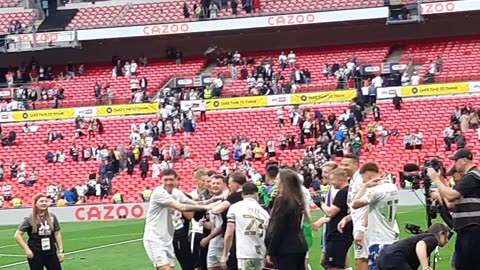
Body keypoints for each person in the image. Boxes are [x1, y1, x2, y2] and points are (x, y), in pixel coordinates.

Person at [143, 169, 216, 270]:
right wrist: (207, 207)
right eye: (166, 180)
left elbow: (193, 203)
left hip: (168, 238)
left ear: (176, 180)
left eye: (171, 179)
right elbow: (182, 207)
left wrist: (213, 201)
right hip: (155, 238)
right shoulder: (159, 193)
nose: (168, 182)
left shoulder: (176, 192)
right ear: (161, 180)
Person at [427, 148, 480, 269]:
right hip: (467, 229)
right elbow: (450, 203)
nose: (454, 164)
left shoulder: (472, 177)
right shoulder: (471, 178)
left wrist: (435, 180)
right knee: (460, 264)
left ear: (464, 160)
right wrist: (441, 180)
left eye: (456, 161)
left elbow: (450, 196)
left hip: (472, 229)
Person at [352, 162, 400, 270]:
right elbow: (369, 210)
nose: (363, 181)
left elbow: (354, 204)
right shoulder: (392, 186)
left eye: (363, 179)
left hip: (378, 237)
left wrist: (365, 186)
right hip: (392, 233)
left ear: (368, 175)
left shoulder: (374, 191)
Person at [265, 169, 308, 270]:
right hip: (299, 245)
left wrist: (271, 252)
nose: (275, 181)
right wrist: (273, 202)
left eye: (277, 179)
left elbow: (278, 228)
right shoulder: (297, 199)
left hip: (286, 248)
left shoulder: (283, 200)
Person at [221, 183, 270, 270]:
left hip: (245, 253)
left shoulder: (235, 207)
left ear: (242, 194)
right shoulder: (264, 212)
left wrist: (225, 254)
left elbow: (229, 232)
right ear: (256, 194)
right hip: (260, 253)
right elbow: (268, 235)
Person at [311, 168, 353, 270]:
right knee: (333, 263)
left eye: (333, 180)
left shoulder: (342, 193)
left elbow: (331, 212)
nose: (331, 183)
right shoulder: (349, 192)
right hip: (343, 233)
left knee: (333, 265)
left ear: (340, 179)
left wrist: (320, 202)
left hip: (338, 234)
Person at [14, 194, 64, 270]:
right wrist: (27, 250)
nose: (44, 203)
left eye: (45, 201)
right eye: (41, 201)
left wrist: (60, 251)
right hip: (35, 253)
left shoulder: (52, 217)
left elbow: (57, 233)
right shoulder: (29, 218)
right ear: (35, 204)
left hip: (51, 252)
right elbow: (17, 235)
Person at [211, 171, 248, 270]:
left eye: (230, 183)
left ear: (236, 184)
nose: (229, 186)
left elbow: (216, 210)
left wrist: (210, 206)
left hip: (235, 237)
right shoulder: (246, 196)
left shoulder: (235, 196)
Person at [377, 223, 450, 270]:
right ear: (441, 234)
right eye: (446, 237)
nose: (447, 241)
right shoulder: (433, 238)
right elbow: (420, 245)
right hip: (395, 258)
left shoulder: (423, 238)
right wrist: (425, 267)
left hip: (383, 256)